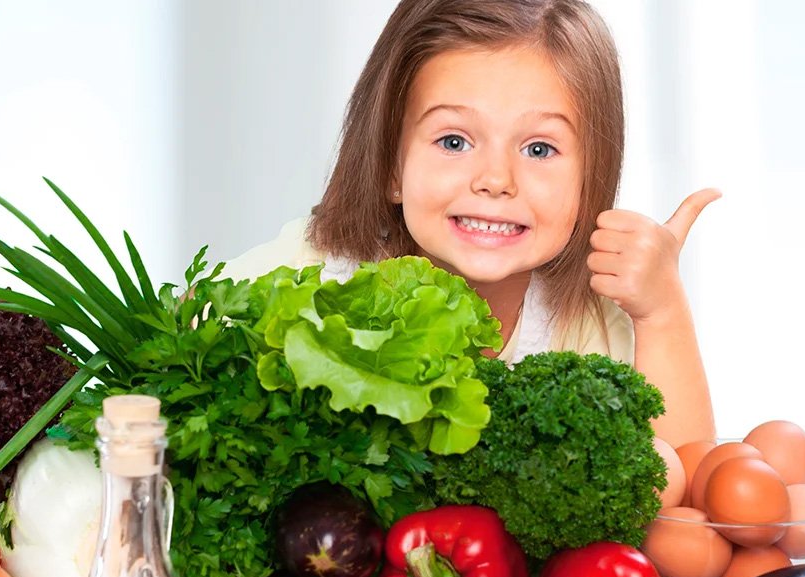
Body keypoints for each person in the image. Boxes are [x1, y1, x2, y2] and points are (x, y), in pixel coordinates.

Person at [221, 0, 717, 447]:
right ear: (392, 167)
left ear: (592, 178)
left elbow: (683, 487)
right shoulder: (305, 279)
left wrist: (663, 313)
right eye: (454, 142)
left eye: (539, 149)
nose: (496, 179)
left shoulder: (585, 322)